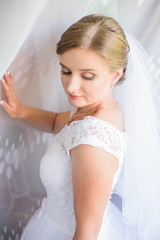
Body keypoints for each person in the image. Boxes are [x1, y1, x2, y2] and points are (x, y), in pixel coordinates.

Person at [1, 14, 160, 240]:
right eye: (66, 71)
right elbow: (58, 121)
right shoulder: (94, 108)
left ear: (115, 75)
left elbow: (86, 233)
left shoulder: (92, 140)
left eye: (87, 76)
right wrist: (21, 111)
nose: (72, 87)